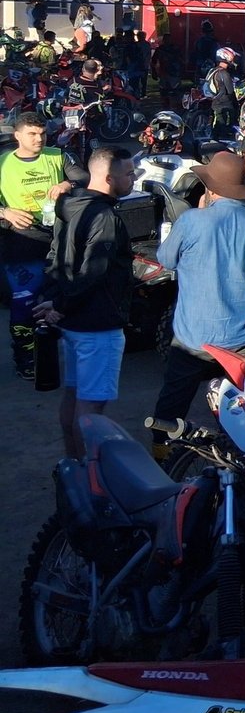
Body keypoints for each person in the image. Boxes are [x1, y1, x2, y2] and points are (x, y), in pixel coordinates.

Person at [150, 152, 245, 452]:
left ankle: (160, 449)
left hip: (194, 334)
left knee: (175, 394)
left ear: (211, 190)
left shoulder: (191, 221)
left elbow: (164, 259)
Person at [36, 146, 135, 456]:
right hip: (97, 325)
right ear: (108, 178)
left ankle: (73, 469)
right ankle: (90, 482)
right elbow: (93, 271)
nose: (134, 179)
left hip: (73, 323)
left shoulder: (70, 204)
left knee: (75, 395)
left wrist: (53, 302)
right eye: (129, 173)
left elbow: (55, 257)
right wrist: (59, 305)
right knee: (90, 410)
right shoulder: (105, 216)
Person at [0, 112, 73, 378]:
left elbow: (87, 177)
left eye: (42, 133)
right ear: (17, 135)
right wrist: (5, 213)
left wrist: (67, 182)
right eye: (31, 133)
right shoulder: (3, 163)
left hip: (59, 238)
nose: (39, 138)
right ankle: (25, 359)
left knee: (59, 298)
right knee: (24, 302)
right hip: (21, 241)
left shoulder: (58, 155)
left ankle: (51, 353)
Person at [204, 46, 240, 137]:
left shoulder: (212, 70)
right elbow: (230, 91)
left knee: (217, 127)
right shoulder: (224, 73)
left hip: (215, 103)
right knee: (225, 129)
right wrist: (236, 105)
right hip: (225, 104)